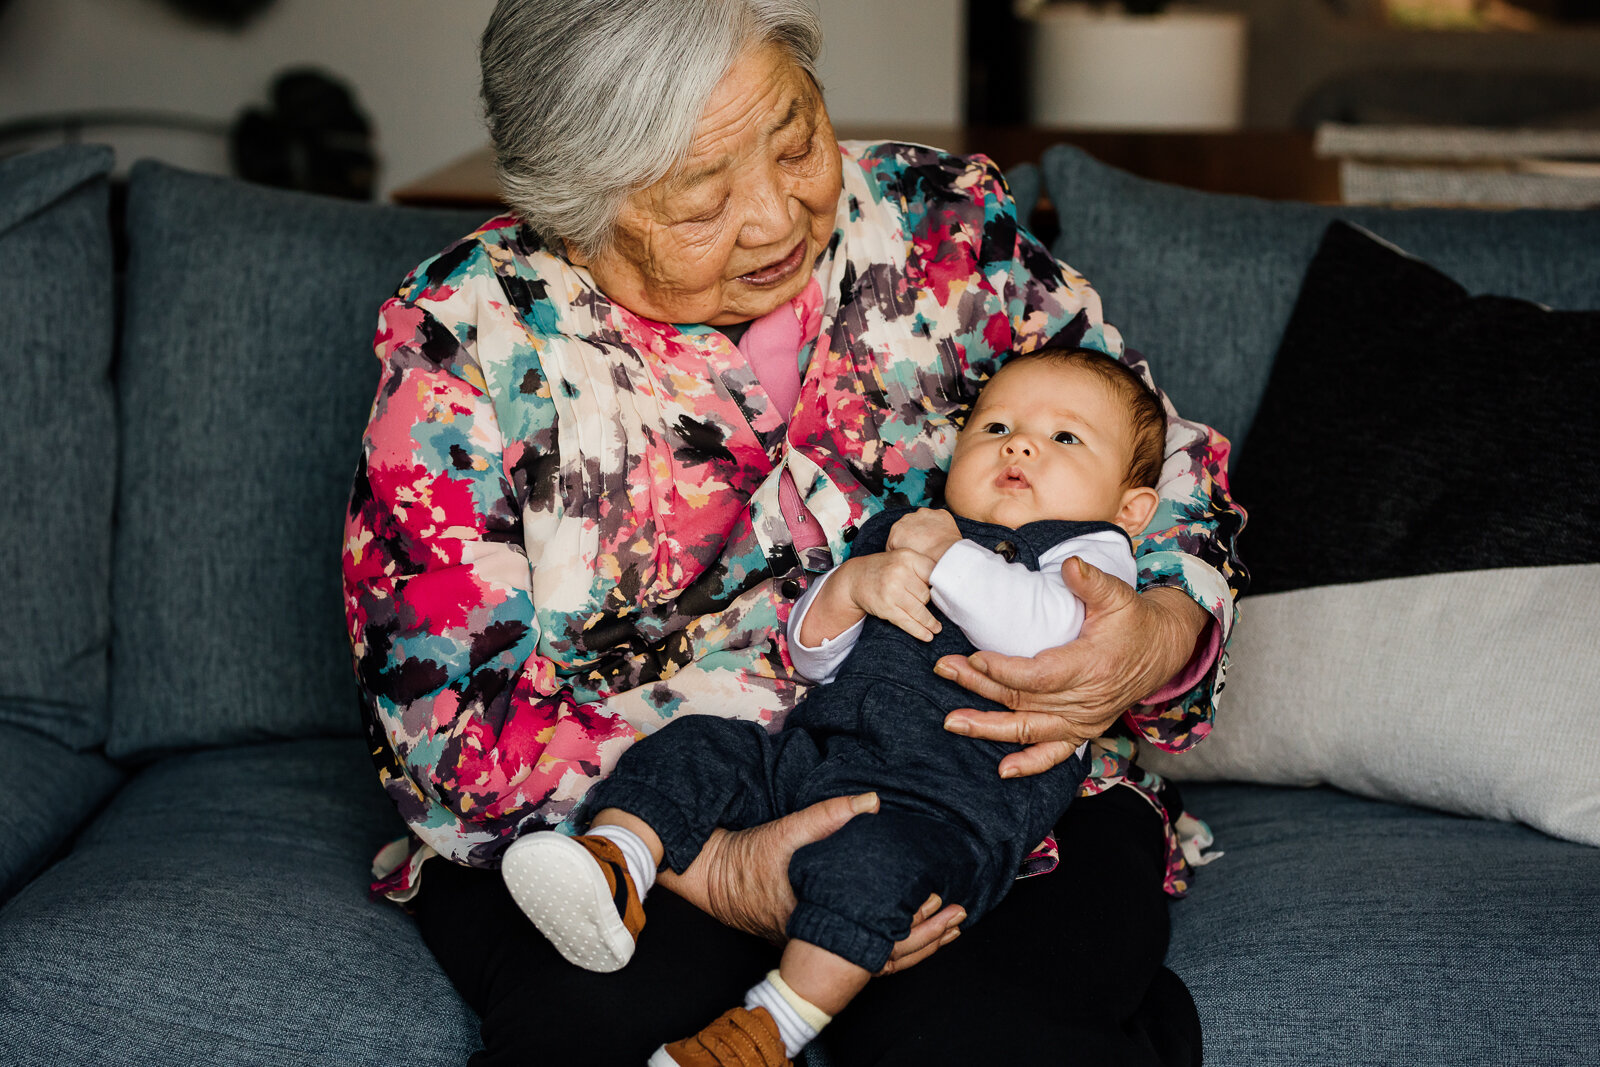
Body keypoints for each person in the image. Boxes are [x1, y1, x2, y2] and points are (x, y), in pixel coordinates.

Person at [341, 1, 1245, 1063]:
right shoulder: (471, 340)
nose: (776, 217)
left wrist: (1156, 626)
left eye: (796, 140)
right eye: (699, 201)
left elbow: (1159, 459)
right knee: (598, 1029)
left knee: (976, 1034)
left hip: (970, 769)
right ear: (571, 213)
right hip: (644, 810)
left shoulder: (940, 223)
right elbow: (447, 722)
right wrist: (715, 864)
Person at [500, 347, 1167, 1066]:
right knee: (696, 746)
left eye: (1064, 438)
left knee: (869, 874)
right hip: (819, 756)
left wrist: (945, 558)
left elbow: (1038, 632)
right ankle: (617, 861)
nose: (1021, 444)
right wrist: (852, 588)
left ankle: (766, 1029)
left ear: (1130, 506)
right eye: (995, 426)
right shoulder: (915, 527)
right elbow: (814, 653)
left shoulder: (1093, 557)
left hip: (945, 803)